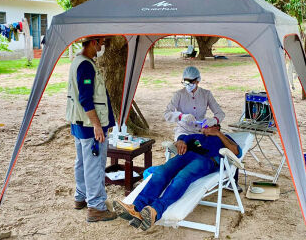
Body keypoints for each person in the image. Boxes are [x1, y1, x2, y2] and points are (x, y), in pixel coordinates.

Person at [113, 125, 242, 231]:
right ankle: (136, 207)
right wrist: (180, 141)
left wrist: (219, 134)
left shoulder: (223, 138)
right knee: (161, 172)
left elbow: (236, 152)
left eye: (211, 126)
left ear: (218, 127)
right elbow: (181, 138)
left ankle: (155, 210)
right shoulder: (195, 136)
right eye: (206, 126)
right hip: (186, 155)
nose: (207, 128)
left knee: (183, 176)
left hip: (207, 160)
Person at [66, 36, 117, 222]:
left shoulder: (78, 61)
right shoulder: (86, 65)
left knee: (81, 161)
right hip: (89, 125)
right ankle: (96, 207)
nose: (102, 46)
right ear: (93, 43)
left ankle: (81, 196)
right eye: (101, 43)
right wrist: (97, 125)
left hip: (79, 122)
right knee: (94, 165)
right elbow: (86, 98)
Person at [164, 66, 225, 141]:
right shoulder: (179, 94)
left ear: (198, 81)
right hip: (184, 130)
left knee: (211, 145)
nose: (188, 85)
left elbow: (220, 113)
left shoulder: (206, 94)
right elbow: (167, 114)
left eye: (191, 82)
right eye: (186, 82)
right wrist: (181, 116)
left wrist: (214, 120)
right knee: (188, 145)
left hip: (202, 129)